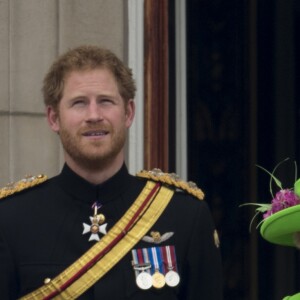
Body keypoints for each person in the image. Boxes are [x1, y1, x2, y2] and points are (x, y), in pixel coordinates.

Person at [0, 45, 223, 299]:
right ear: (54, 118)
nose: (94, 115)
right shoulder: (10, 220)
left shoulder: (184, 216)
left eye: (106, 101)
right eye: (79, 103)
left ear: (128, 113)